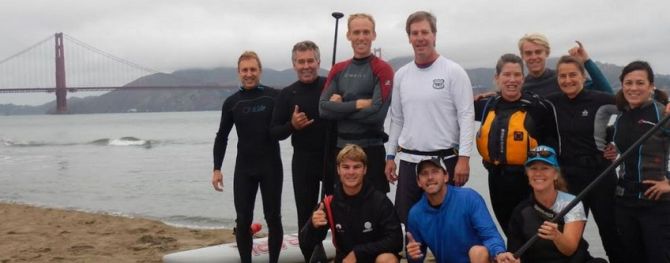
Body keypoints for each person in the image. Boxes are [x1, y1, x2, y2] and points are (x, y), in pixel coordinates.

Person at [384, 11, 475, 225]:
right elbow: (396, 119)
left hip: (445, 161)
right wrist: (390, 157)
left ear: (434, 35)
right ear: (409, 38)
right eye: (414, 33)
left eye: (425, 32)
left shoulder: (454, 71)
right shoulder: (402, 75)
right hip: (409, 161)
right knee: (409, 224)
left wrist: (464, 158)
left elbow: (466, 116)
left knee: (450, 223)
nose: (420, 37)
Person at [546, 54, 624, 262]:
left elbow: (632, 108)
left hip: (601, 175)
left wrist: (615, 141)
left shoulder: (599, 99)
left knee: (612, 234)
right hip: (569, 180)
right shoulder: (552, 102)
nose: (568, 80)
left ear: (583, 77)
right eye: (563, 76)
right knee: (569, 238)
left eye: (573, 75)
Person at [474, 53, 559, 236]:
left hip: (529, 183)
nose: (512, 80)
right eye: (506, 75)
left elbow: (555, 149)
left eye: (517, 75)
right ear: (497, 78)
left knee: (533, 235)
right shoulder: (488, 105)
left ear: (523, 77)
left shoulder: (538, 108)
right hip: (496, 180)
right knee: (510, 232)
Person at [211, 51, 283, 263]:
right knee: (243, 220)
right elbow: (222, 136)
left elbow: (290, 121)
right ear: (239, 73)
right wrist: (217, 168)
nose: (249, 74)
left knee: (274, 218)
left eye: (253, 69)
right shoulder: (232, 102)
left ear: (260, 71)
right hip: (244, 169)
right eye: (245, 70)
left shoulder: (274, 97)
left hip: (270, 166)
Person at [269, 40, 334, 262]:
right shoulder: (287, 94)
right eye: (301, 62)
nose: (306, 66)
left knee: (338, 213)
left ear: (318, 61)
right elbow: (274, 132)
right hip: (303, 161)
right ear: (294, 64)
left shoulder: (331, 86)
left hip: (331, 159)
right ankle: (311, 257)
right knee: (306, 216)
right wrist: (292, 126)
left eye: (310, 61)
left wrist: (339, 104)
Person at [319, 13, 394, 194]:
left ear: (374, 35)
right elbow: (323, 109)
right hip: (341, 149)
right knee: (340, 210)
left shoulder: (383, 69)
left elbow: (377, 113)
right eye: (357, 32)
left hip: (372, 149)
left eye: (366, 32)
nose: (361, 37)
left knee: (375, 211)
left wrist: (341, 105)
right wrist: (358, 104)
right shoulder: (338, 69)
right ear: (348, 35)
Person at [607, 61, 670, 263]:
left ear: (651, 86)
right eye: (629, 83)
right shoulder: (621, 117)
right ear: (622, 85)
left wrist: (669, 184)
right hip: (624, 202)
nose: (633, 88)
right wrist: (612, 151)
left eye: (640, 83)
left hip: (656, 204)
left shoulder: (663, 114)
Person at [300, 144, 403, 263]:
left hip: (373, 258)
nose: (351, 172)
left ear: (364, 169)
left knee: (387, 259)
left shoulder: (380, 201)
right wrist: (313, 226)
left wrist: (358, 253)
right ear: (338, 169)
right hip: (345, 260)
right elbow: (305, 243)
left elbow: (396, 240)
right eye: (346, 167)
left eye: (356, 167)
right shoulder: (329, 204)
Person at [504, 145, 604, 263]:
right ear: (527, 175)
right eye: (533, 168)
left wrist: (556, 236)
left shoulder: (572, 203)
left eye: (545, 168)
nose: (538, 173)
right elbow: (514, 252)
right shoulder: (520, 211)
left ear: (555, 174)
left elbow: (570, 249)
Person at [405, 158, 511, 263]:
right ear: (418, 182)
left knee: (478, 252)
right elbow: (416, 257)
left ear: (446, 176)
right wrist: (413, 255)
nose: (430, 177)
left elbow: (490, 236)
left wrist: (499, 253)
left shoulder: (469, 198)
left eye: (435, 171)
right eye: (424, 174)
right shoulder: (415, 214)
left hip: (476, 260)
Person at [518, 33, 613, 97]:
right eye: (528, 53)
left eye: (538, 52)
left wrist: (586, 61)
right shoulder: (520, 87)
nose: (534, 57)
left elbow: (607, 93)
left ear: (547, 53)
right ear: (522, 56)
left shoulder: (564, 79)